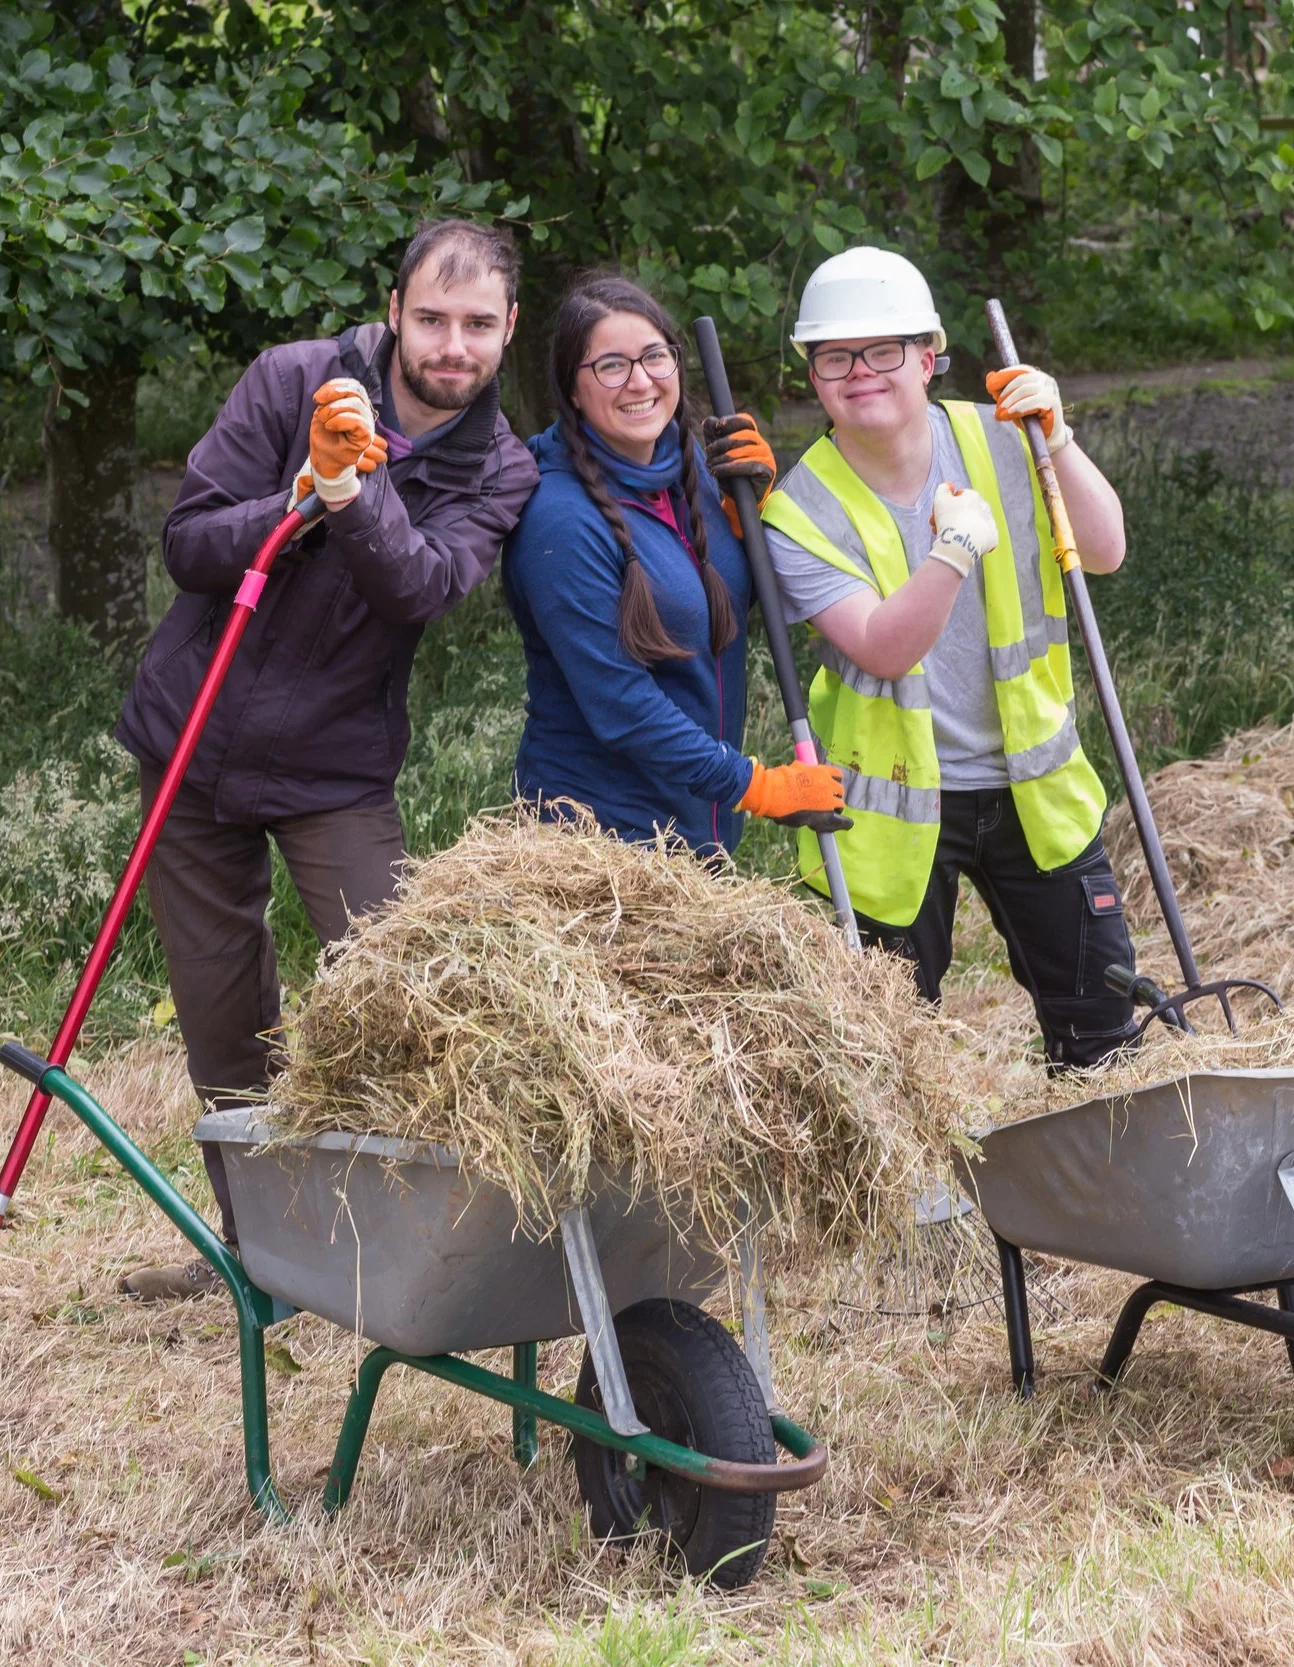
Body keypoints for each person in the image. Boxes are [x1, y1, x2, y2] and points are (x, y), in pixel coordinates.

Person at [113, 219, 540, 1298]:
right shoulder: (291, 379)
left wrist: (356, 493)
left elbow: (423, 587)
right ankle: (264, 1252)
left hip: (337, 768)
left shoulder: (500, 465)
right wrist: (301, 487)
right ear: (393, 307)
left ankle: (410, 1244)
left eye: (477, 324)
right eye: (432, 317)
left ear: (508, 329)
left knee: (399, 994)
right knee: (222, 1019)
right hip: (192, 740)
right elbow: (191, 543)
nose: (452, 344)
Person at [759, 245, 1142, 1068]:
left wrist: (1059, 441)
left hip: (1031, 787)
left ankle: (1097, 1187)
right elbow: (885, 650)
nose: (861, 370)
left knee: (1103, 1032)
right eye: (835, 355)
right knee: (882, 1060)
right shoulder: (798, 508)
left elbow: (1105, 549)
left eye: (885, 350)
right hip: (890, 810)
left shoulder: (1001, 439)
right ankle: (915, 1201)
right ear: (813, 375)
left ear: (928, 358)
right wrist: (954, 551)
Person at [502, 273, 845, 857]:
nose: (640, 381)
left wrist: (753, 521)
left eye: (655, 357)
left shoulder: (698, 469)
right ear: (572, 387)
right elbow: (620, 704)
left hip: (691, 830)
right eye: (611, 366)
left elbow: (722, 609)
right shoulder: (558, 519)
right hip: (597, 843)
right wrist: (755, 786)